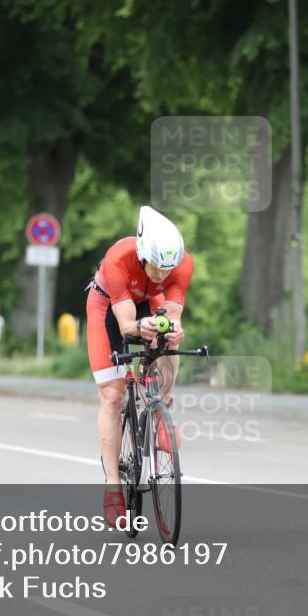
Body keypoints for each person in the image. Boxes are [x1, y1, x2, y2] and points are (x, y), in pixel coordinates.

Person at [85, 206, 193, 526]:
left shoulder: (182, 265)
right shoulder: (118, 258)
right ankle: (113, 489)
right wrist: (140, 327)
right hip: (109, 305)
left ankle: (163, 408)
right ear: (143, 253)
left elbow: (172, 313)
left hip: (149, 301)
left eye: (167, 270)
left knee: (169, 338)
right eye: (156, 267)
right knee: (113, 396)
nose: (161, 274)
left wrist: (172, 327)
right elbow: (126, 325)